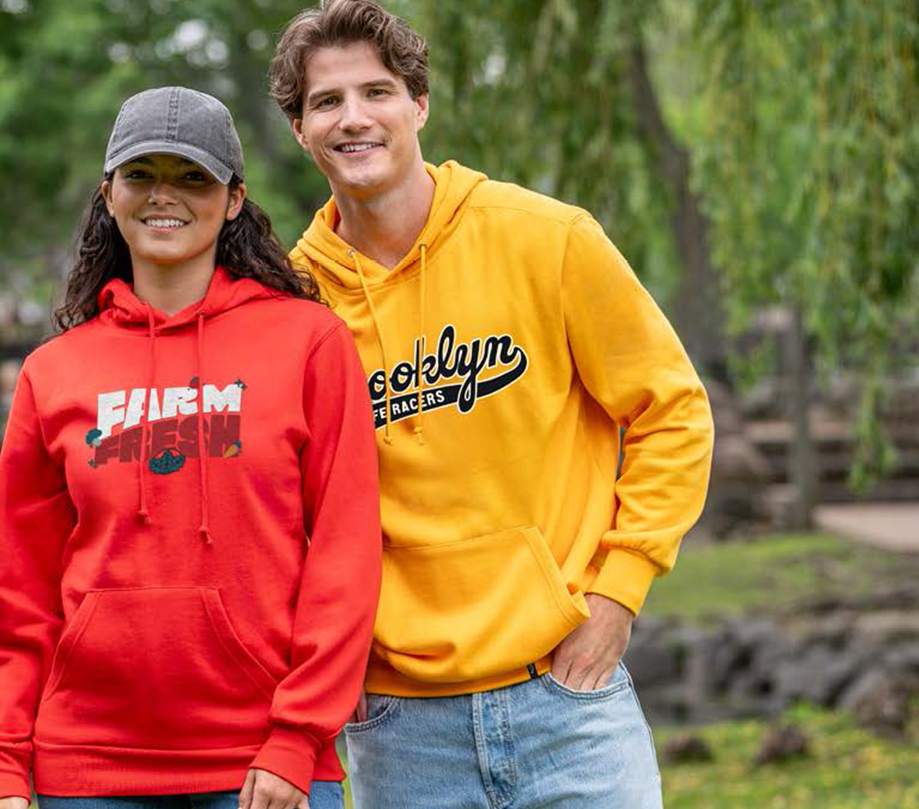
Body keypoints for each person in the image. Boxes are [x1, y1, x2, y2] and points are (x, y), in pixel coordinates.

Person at [267, 3, 716, 808]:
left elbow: (671, 412)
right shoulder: (293, 303)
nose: (353, 117)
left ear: (419, 104)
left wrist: (616, 594)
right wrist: (333, 665)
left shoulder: (546, 238)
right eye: (326, 101)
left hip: (568, 696)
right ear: (300, 130)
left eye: (376, 91)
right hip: (397, 726)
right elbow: (279, 504)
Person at [0, 86, 381, 809]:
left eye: (192, 176)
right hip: (87, 767)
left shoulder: (308, 342)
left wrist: (297, 736)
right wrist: (6, 767)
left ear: (233, 200)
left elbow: (345, 553)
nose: (165, 195)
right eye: (141, 174)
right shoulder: (54, 371)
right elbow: (18, 587)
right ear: (109, 195)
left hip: (264, 762)